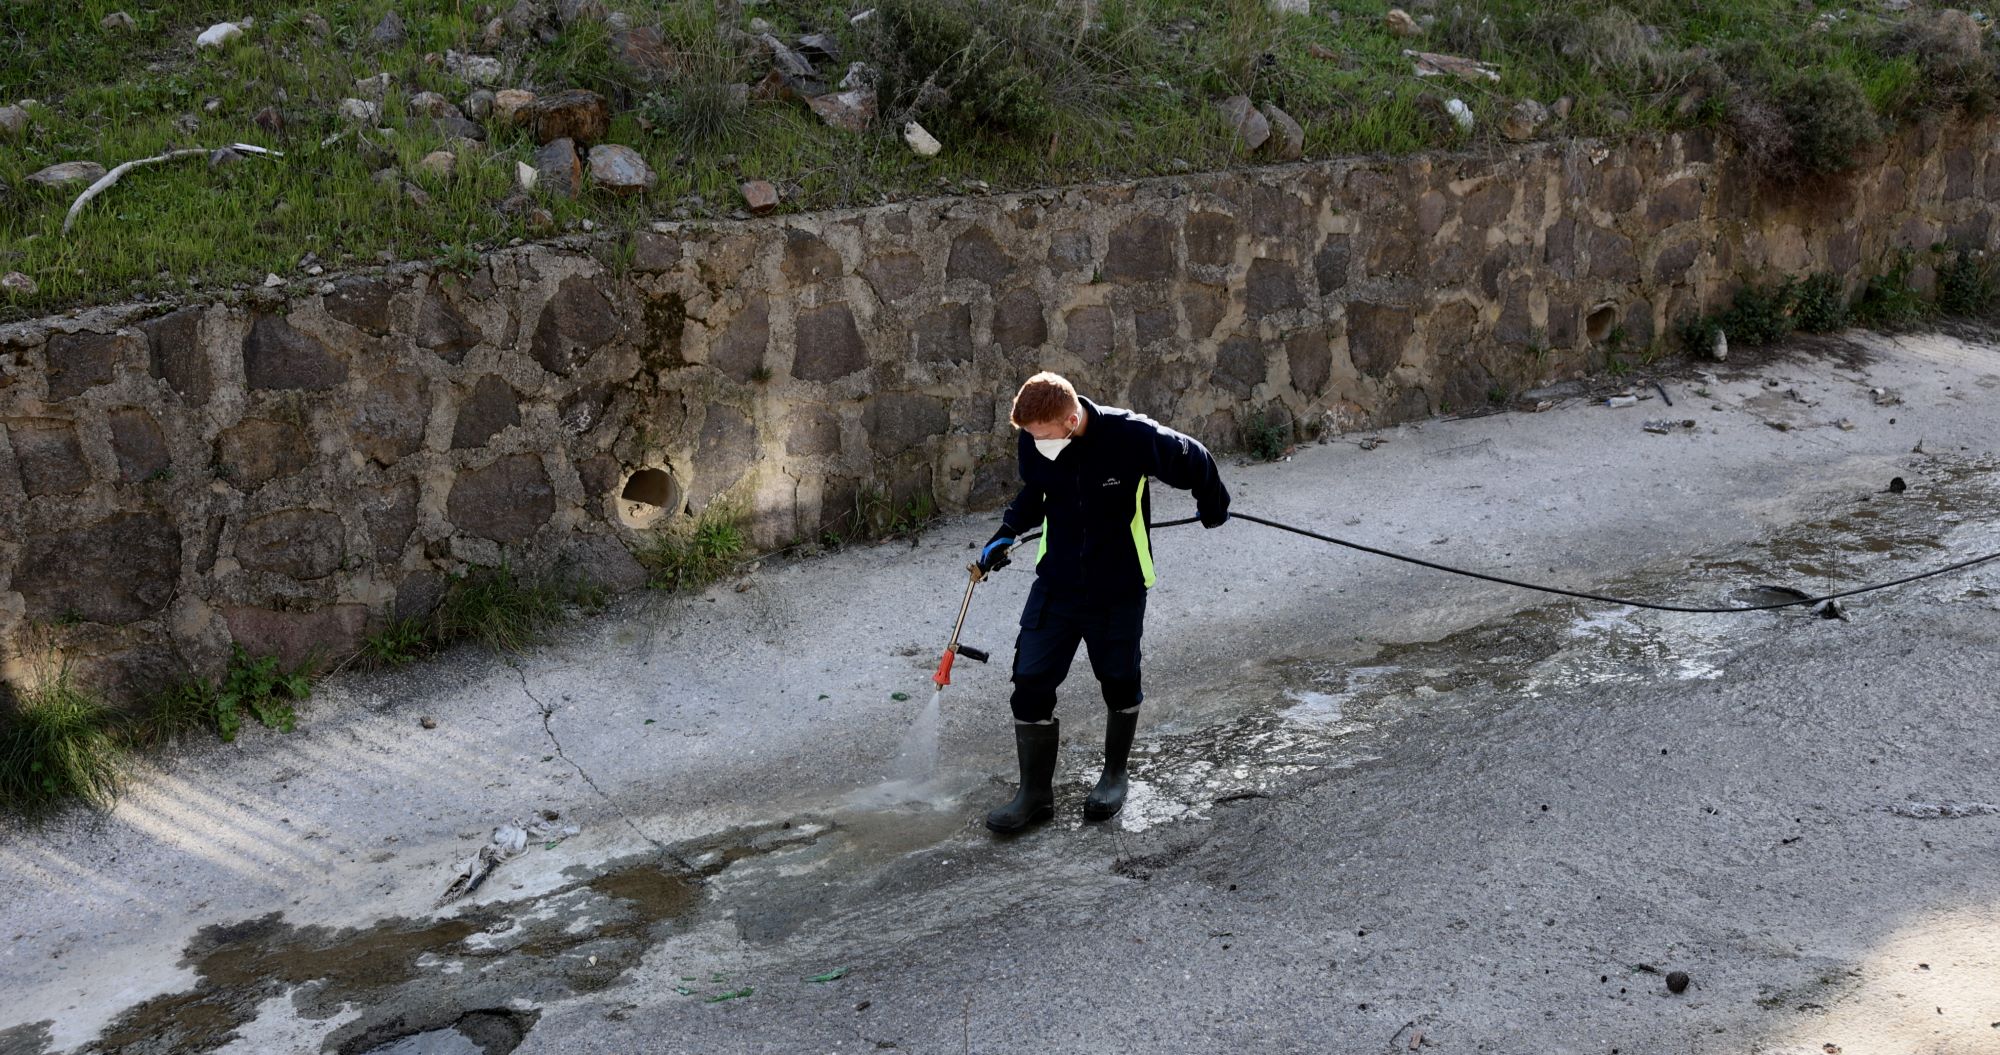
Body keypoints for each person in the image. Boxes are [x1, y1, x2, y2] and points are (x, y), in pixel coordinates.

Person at [977, 372, 1231, 833]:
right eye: (1029, 435)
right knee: (1030, 680)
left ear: (1071, 420)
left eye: (1042, 434)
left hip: (1119, 583)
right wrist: (1007, 532)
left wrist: (1212, 505)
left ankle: (1115, 775)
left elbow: (1194, 456)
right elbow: (1037, 490)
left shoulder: (1130, 436)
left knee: (1118, 679)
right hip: (1057, 581)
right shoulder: (1036, 438)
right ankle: (1034, 794)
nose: (1035, 443)